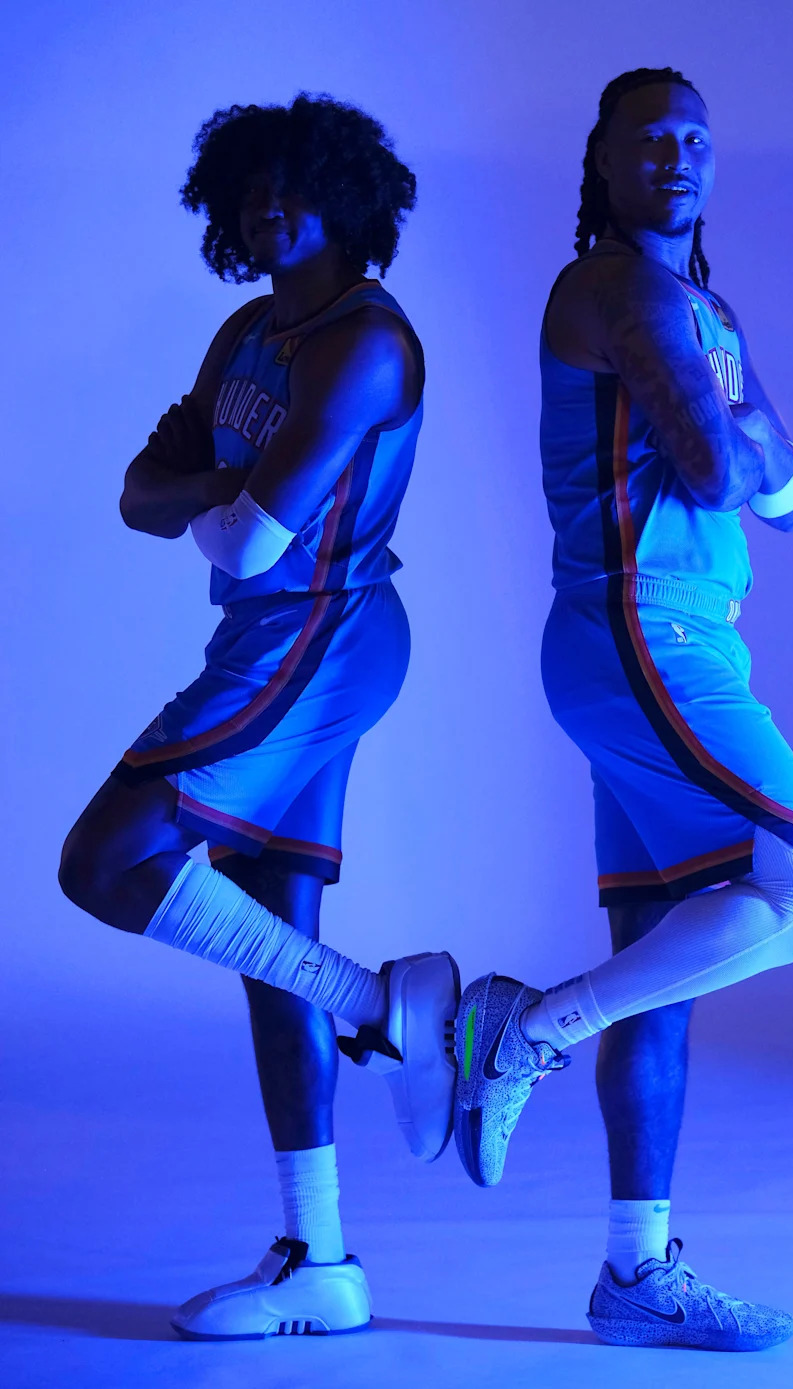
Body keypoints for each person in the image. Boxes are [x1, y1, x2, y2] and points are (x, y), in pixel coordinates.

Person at [453, 67, 793, 1352]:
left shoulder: (703, 305)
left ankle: (635, 1275)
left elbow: (791, 494)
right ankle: (523, 1030)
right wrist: (741, 436)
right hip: (645, 630)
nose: (677, 156)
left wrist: (745, 439)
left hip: (668, 641)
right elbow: (722, 465)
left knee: (657, 976)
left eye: (695, 138)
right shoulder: (615, 287)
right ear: (605, 163)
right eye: (650, 139)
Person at [58, 93, 459, 1341]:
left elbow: (239, 528)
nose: (266, 207)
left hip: (323, 635)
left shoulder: (366, 342)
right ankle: (320, 1261)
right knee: (259, 936)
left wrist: (206, 489)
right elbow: (135, 496)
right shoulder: (246, 331)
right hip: (263, 632)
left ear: (347, 198)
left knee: (102, 858)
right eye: (247, 190)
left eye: (292, 185)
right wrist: (210, 490)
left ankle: (378, 1004)